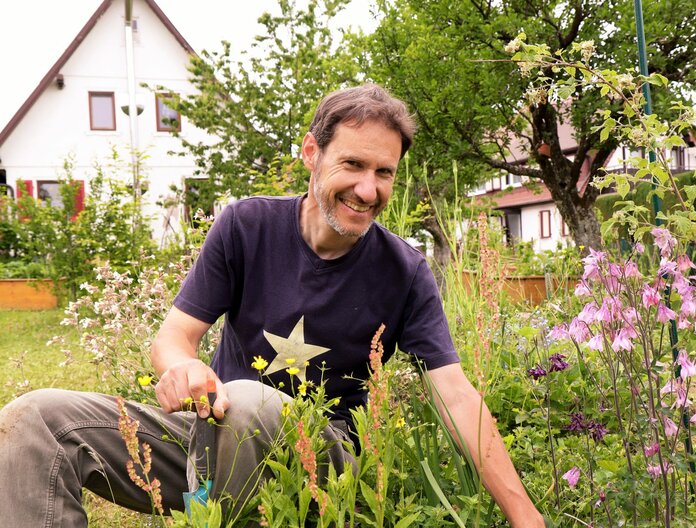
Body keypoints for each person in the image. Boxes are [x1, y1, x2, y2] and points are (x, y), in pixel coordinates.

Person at [0, 84, 545, 527]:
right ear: (311, 153)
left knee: (247, 402)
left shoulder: (405, 272)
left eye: (384, 173)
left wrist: (525, 515)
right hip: (207, 441)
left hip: (322, 467)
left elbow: (455, 396)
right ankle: (202, 501)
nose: (368, 189)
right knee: (34, 420)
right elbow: (172, 339)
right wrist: (183, 368)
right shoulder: (246, 226)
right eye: (353, 164)